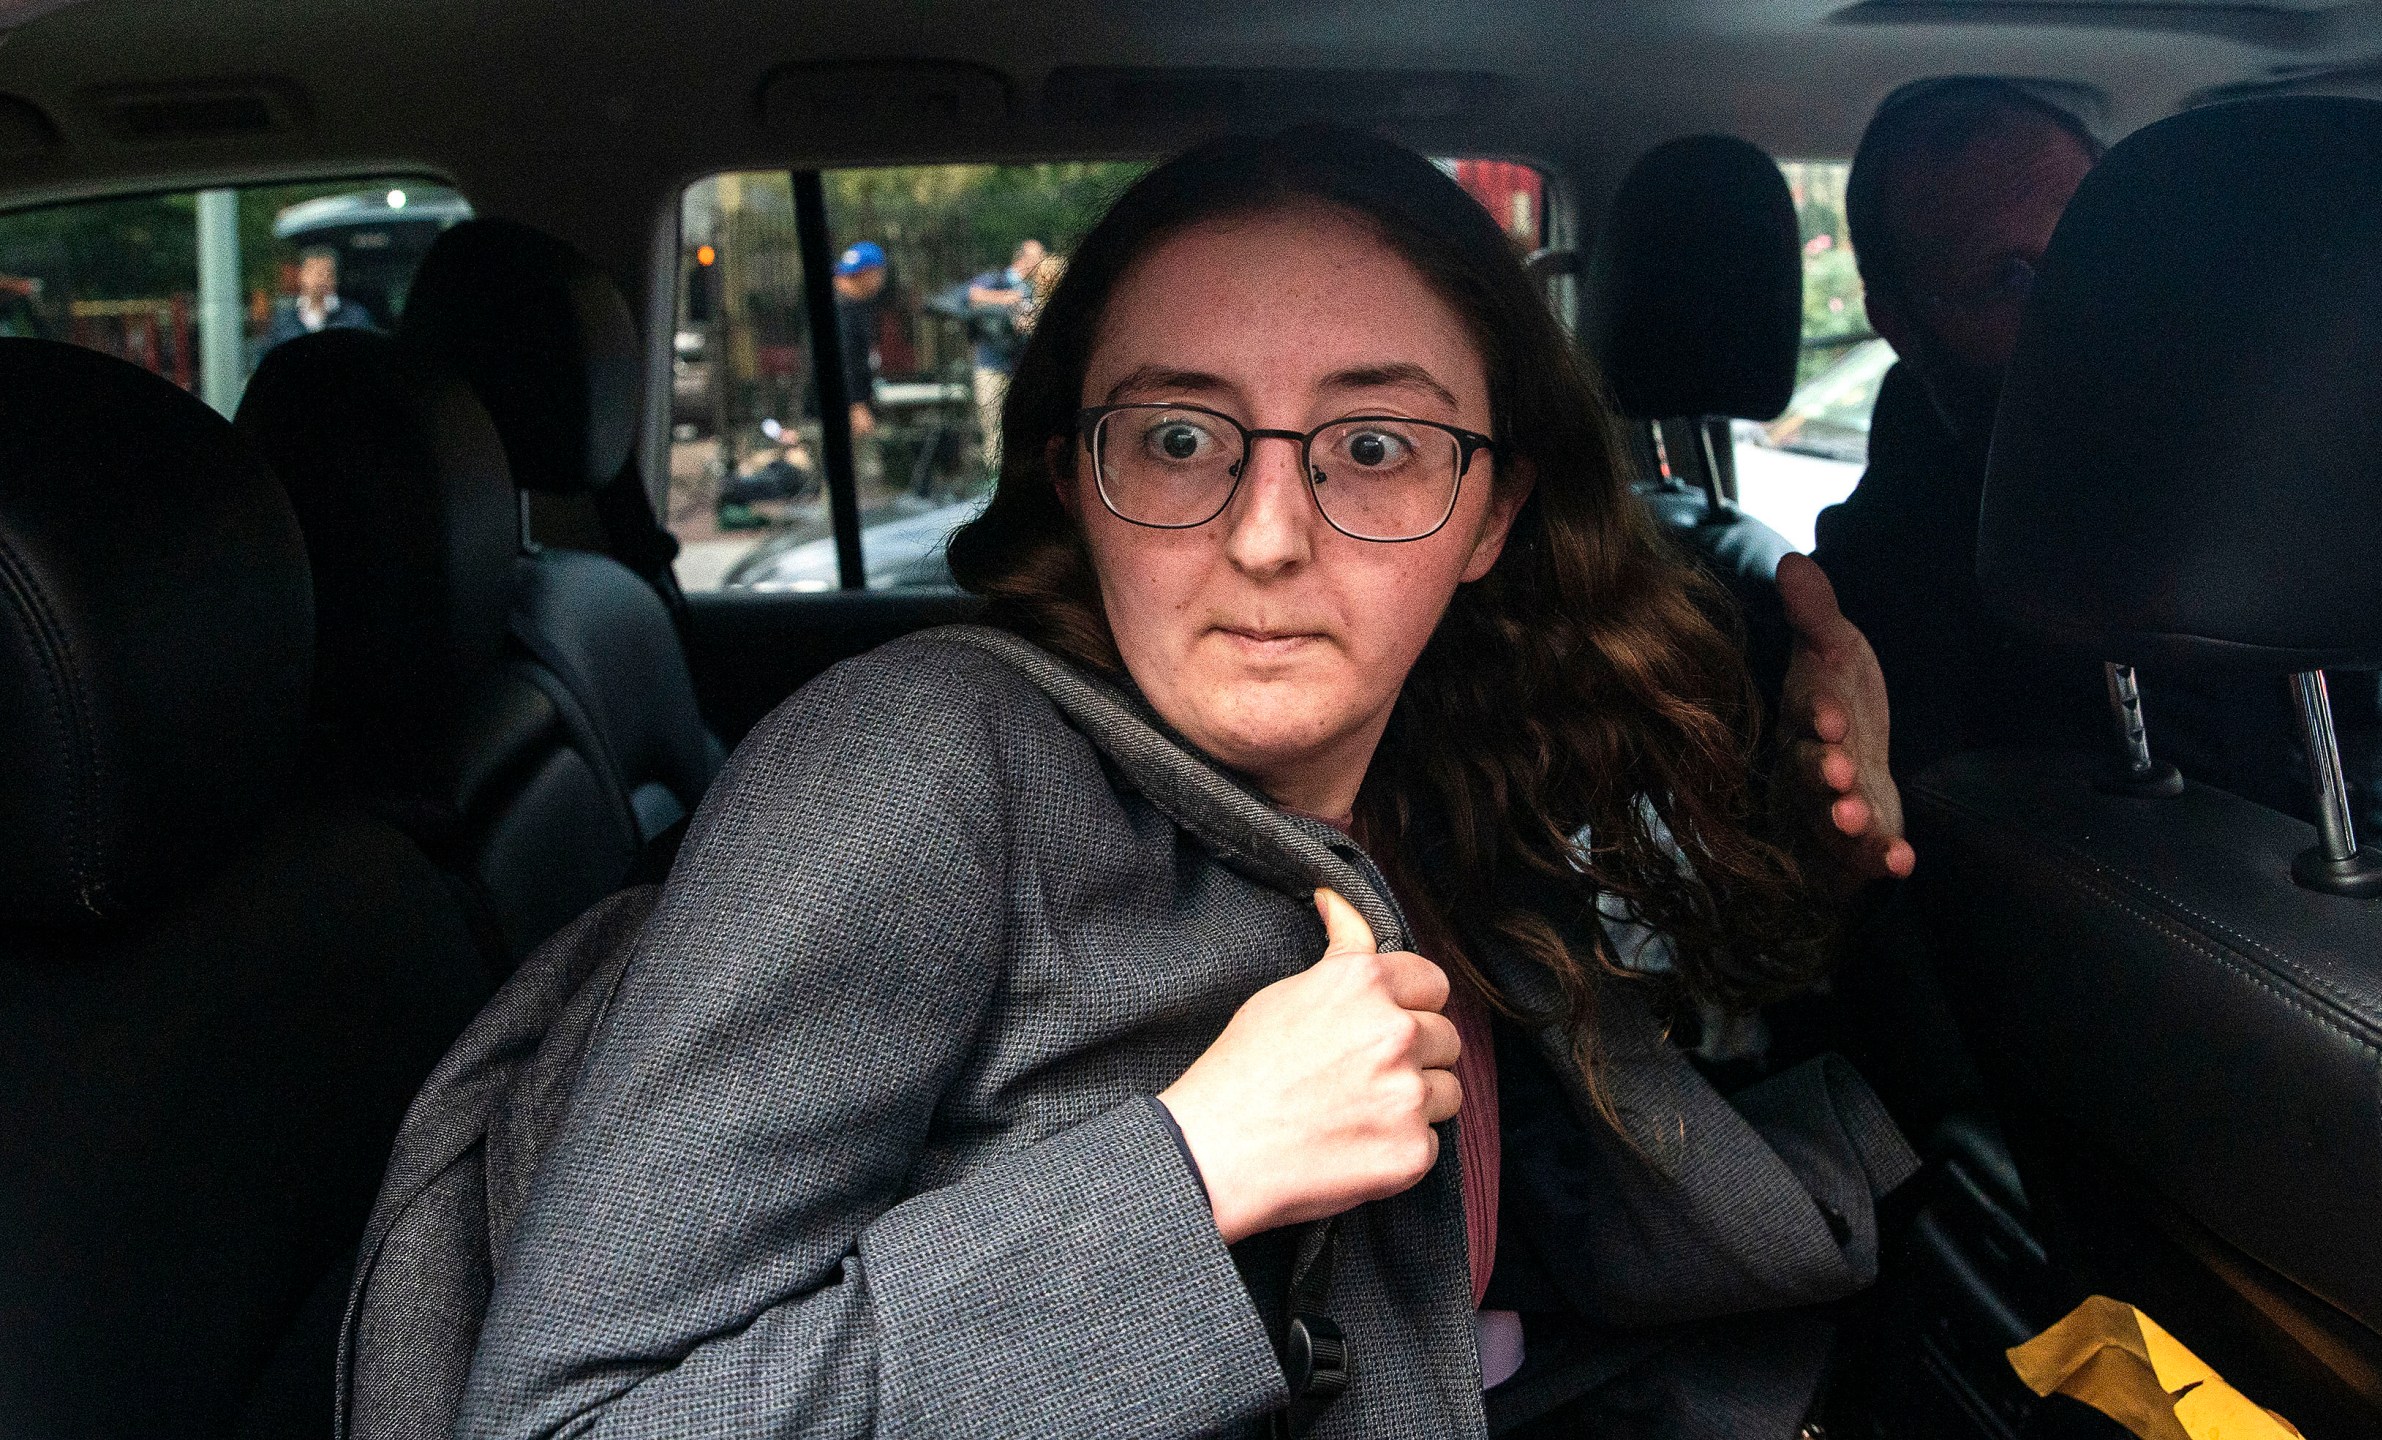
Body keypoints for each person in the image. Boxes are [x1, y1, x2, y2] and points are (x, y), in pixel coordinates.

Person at [459, 126, 1916, 1439]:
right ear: (1074, 474)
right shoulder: (913, 769)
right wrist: (1194, 1169)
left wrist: (1806, 836)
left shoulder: (1437, 778)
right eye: (1175, 438)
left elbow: (1636, 1084)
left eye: (1375, 448)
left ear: (1491, 513)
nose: (1271, 537)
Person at [1814, 77, 2382, 926]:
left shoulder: (2257, 407)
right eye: (2009, 280)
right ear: (1900, 324)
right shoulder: (1881, 581)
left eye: (2098, 247)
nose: (2081, 305)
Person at [966, 236, 1045, 475]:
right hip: (991, 364)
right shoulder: (998, 280)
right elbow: (972, 295)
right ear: (1023, 258)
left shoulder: (1034, 289)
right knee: (992, 428)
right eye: (1037, 257)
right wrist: (1007, 298)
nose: (1040, 262)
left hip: (1021, 367)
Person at [259, 245, 376, 356]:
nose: (322, 279)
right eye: (316, 272)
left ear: (335, 278)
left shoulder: (355, 317)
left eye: (328, 272)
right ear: (302, 275)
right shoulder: (283, 321)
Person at [832, 241, 887, 441]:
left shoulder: (856, 307)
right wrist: (855, 405)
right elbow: (844, 360)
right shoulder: (843, 311)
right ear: (869, 273)